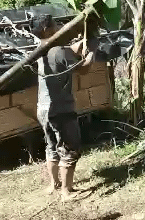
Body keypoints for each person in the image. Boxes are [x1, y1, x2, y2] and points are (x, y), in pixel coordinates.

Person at [30, 14, 98, 201]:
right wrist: (92, 52)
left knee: (51, 147)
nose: (60, 25)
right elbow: (83, 69)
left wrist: (84, 41)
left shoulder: (40, 50)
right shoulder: (58, 51)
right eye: (55, 24)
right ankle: (66, 192)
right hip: (61, 110)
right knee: (69, 148)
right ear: (46, 29)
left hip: (43, 109)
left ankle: (54, 185)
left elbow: (69, 51)